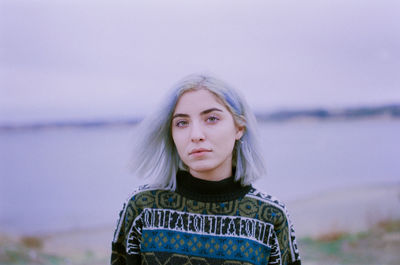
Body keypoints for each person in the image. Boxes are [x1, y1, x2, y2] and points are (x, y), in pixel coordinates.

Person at [111, 74, 301, 265]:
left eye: (211, 118)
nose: (196, 135)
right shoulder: (142, 207)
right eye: (182, 123)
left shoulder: (270, 215)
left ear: (239, 128)